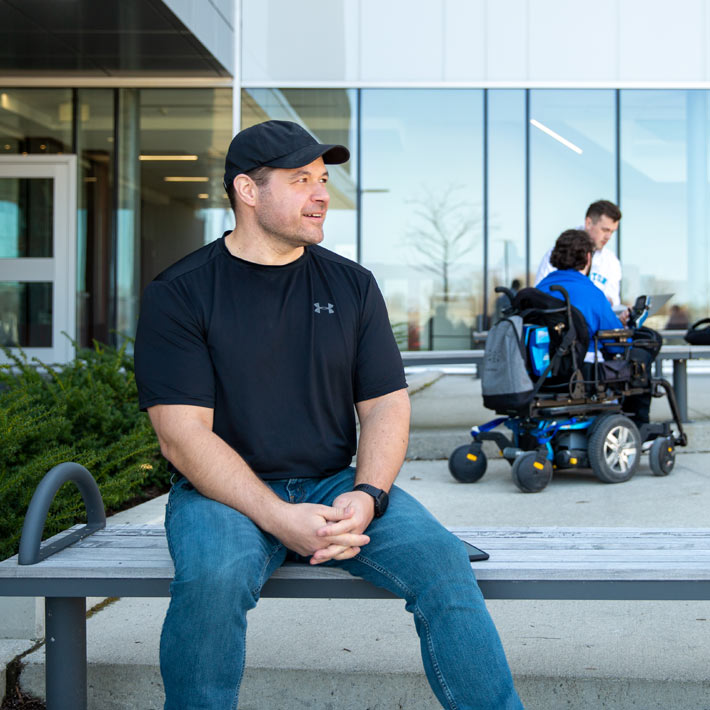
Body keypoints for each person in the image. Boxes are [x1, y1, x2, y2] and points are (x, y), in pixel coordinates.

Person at [134, 120, 523, 710]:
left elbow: (386, 404)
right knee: (212, 582)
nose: (322, 195)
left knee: (444, 564)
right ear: (247, 189)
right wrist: (278, 516)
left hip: (338, 484)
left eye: (323, 179)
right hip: (223, 495)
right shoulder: (182, 292)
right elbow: (182, 436)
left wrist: (368, 493)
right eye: (301, 180)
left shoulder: (352, 284)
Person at [537, 229, 653, 425]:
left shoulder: (538, 291)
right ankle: (639, 424)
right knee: (646, 346)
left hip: (544, 371)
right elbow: (616, 344)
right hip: (583, 371)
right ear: (588, 258)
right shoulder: (592, 294)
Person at [535, 200, 622, 307]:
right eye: (605, 230)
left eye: (612, 232)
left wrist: (604, 302)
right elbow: (540, 295)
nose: (608, 237)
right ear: (588, 223)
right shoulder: (560, 251)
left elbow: (614, 301)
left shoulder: (611, 261)